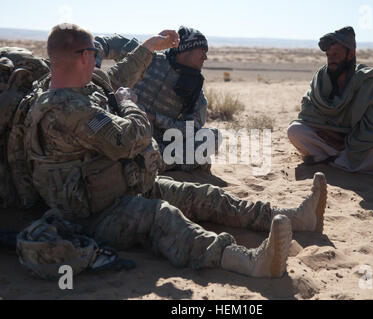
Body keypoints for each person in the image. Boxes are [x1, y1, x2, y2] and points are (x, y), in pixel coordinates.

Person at [20, 23, 328, 279]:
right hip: (94, 215)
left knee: (201, 195)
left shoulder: (65, 87)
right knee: (162, 217)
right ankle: (246, 261)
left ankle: (296, 218)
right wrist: (130, 105)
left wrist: (150, 46)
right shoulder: (69, 110)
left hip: (120, 189)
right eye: (94, 53)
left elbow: (114, 78)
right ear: (86, 57)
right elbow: (132, 138)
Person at [287, 26, 373, 180]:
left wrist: (346, 140)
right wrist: (329, 133)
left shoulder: (366, 82)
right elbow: (308, 110)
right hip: (330, 139)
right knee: (295, 129)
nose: (331, 60)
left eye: (336, 54)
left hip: (356, 142)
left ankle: (332, 159)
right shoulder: (321, 78)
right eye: (328, 55)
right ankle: (339, 159)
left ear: (351, 54)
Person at [97, 27, 218, 173]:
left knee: (212, 136)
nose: (205, 57)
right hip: (120, 132)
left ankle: (156, 164)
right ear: (187, 48)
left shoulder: (195, 90)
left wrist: (157, 119)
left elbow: (192, 129)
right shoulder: (148, 56)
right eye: (202, 50)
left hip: (155, 146)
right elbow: (102, 42)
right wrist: (93, 70)